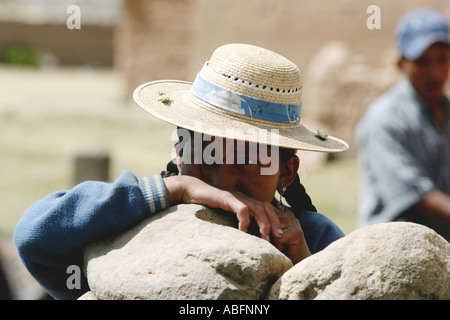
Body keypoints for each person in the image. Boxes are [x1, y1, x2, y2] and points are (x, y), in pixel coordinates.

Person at [13, 43, 348, 300]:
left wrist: (304, 266)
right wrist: (174, 189)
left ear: (286, 172)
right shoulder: (134, 214)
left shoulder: (312, 237)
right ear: (179, 149)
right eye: (206, 154)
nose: (222, 182)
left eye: (247, 160)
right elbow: (34, 237)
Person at [357, 9, 450, 241]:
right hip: (390, 249)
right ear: (401, 64)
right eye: (422, 62)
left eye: (442, 59)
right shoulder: (385, 118)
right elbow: (414, 195)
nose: (435, 72)